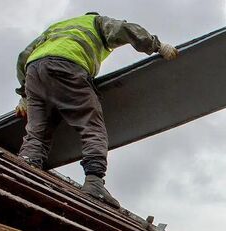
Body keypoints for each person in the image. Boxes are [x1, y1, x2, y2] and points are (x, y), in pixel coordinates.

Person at [14, 12, 179, 208]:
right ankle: (94, 181)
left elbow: (23, 56)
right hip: (68, 65)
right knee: (91, 125)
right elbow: (125, 30)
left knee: (38, 130)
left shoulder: (57, 27)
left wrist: (24, 93)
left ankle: (27, 162)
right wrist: (157, 46)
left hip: (34, 71)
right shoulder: (96, 22)